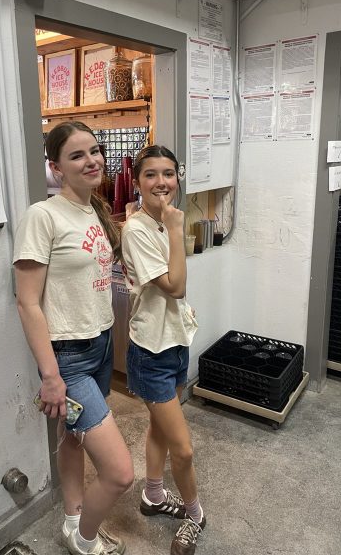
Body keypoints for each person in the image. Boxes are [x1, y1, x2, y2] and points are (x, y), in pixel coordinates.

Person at [13, 121, 133, 555]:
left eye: (95, 150)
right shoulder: (42, 216)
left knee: (71, 436)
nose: (92, 160)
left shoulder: (94, 210)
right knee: (120, 473)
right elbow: (27, 303)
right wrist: (50, 376)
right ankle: (84, 541)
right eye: (77, 155)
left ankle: (71, 517)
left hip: (100, 344)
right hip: (68, 356)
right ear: (56, 166)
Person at [121, 145, 204, 555]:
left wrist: (171, 226)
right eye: (151, 174)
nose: (161, 182)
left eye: (168, 174)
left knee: (159, 427)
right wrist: (175, 228)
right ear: (137, 181)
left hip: (174, 343)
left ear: (178, 177)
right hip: (151, 352)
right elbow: (175, 285)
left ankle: (152, 496)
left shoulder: (163, 222)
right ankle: (195, 514)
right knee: (183, 447)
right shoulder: (139, 228)